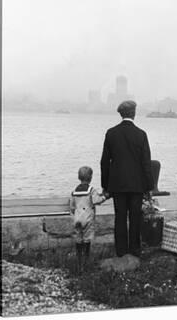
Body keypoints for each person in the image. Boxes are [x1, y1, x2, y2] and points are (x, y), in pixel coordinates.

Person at [100, 100, 154, 258]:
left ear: (121, 114)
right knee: (135, 218)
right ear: (134, 113)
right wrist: (149, 187)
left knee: (120, 218)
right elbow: (146, 163)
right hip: (137, 184)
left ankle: (121, 251)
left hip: (117, 184)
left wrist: (105, 185)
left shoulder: (111, 133)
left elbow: (104, 162)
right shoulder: (141, 134)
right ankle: (135, 251)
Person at [69, 166, 107, 272]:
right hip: (88, 218)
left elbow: (72, 206)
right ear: (90, 178)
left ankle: (78, 260)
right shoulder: (91, 190)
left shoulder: (74, 191)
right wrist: (105, 197)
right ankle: (86, 260)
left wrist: (74, 213)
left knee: (78, 238)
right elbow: (96, 201)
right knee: (86, 239)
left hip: (77, 218)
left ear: (78, 177)